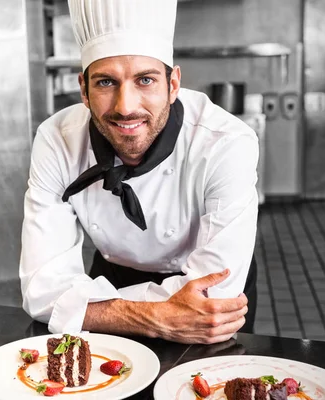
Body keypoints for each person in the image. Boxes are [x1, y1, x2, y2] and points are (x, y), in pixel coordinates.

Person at [19, 0, 259, 345]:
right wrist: (155, 317)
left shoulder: (224, 142)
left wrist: (89, 307)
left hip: (194, 298)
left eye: (145, 80)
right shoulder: (57, 140)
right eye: (105, 83)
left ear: (173, 84)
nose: (125, 107)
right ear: (83, 89)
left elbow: (213, 297)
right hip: (113, 277)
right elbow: (41, 291)